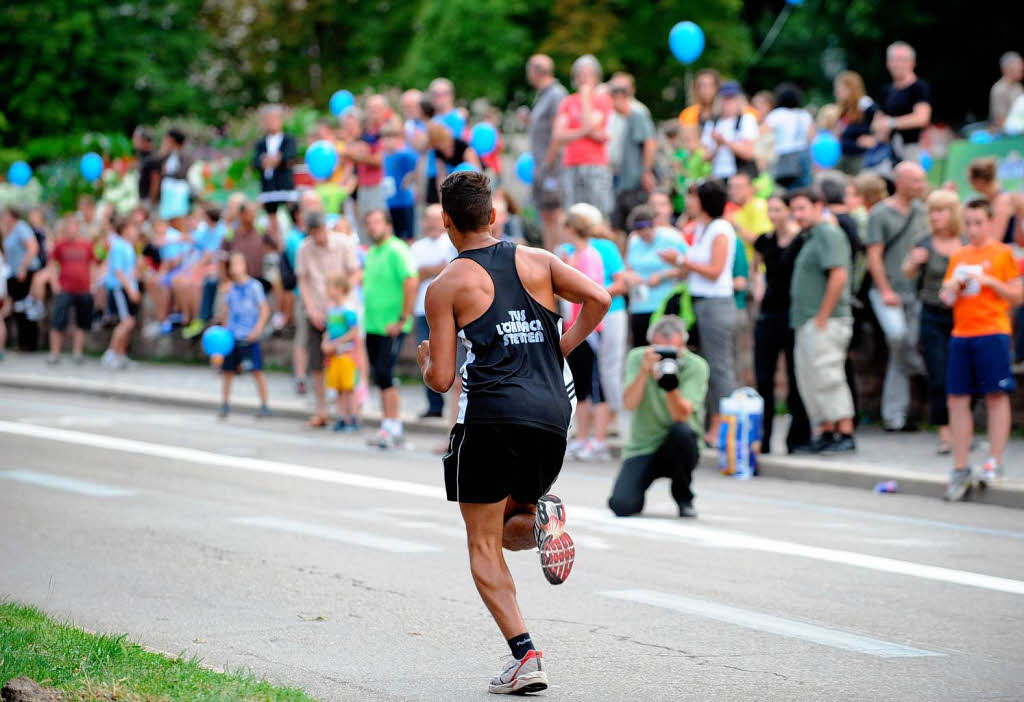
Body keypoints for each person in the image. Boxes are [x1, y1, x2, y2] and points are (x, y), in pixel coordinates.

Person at [417, 171, 609, 694]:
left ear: (449, 223)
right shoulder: (539, 261)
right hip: (552, 416)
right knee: (511, 523)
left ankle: (525, 657)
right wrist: (557, 352)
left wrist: (424, 363)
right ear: (494, 216)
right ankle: (540, 515)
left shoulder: (446, 286)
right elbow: (600, 298)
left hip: (492, 417)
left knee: (482, 542)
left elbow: (441, 380)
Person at [940, 198, 1022, 500]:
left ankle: (995, 461)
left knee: (996, 396)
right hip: (962, 333)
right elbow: (946, 297)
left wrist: (989, 281)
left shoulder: (1002, 253)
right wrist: (951, 289)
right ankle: (960, 465)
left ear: (989, 222)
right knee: (957, 398)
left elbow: (1017, 295)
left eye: (978, 222)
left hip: (992, 331)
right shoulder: (959, 255)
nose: (973, 229)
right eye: (969, 223)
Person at [608, 314, 709, 518]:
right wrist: (644, 372)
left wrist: (669, 384)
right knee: (621, 505)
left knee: (683, 433)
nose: (665, 357)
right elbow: (629, 404)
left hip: (678, 446)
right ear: (650, 345)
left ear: (683, 344)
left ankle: (684, 497)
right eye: (660, 351)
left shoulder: (695, 366)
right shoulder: (638, 358)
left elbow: (681, 415)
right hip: (643, 447)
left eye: (672, 351)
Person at [788, 187, 856, 453]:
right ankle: (827, 430)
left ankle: (845, 431)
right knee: (811, 377)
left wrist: (823, 315)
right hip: (807, 318)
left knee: (828, 375)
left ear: (819, 206)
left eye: (802, 208)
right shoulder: (810, 236)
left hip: (826, 319)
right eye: (795, 209)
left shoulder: (829, 233)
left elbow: (838, 275)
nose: (798, 214)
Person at [672, 181, 737, 446]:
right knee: (705, 366)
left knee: (720, 368)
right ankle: (710, 423)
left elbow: (715, 269)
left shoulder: (720, 228)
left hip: (716, 303)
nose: (688, 202)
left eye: (693, 198)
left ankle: (724, 428)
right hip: (699, 302)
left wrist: (681, 261)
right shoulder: (701, 228)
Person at [864, 161, 928, 431]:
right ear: (899, 182)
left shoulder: (922, 211)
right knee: (898, 337)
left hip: (915, 291)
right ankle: (924, 372)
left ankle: (894, 416)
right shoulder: (880, 214)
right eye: (915, 180)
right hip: (887, 289)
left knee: (900, 351)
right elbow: (874, 255)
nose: (920, 185)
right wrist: (885, 289)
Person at [902, 190, 964, 455]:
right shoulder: (924, 242)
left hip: (962, 314)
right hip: (932, 313)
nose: (936, 216)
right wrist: (913, 262)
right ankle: (945, 433)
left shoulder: (964, 243)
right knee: (938, 375)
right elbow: (906, 273)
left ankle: (963, 429)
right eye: (933, 211)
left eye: (942, 211)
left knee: (963, 374)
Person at [750, 194, 811, 453]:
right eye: (770, 210)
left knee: (796, 376)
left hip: (793, 312)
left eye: (778, 210)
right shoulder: (764, 240)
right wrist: (757, 287)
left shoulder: (801, 240)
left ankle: (798, 437)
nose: (773, 215)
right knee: (764, 376)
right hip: (768, 312)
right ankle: (763, 438)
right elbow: (755, 268)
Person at [297, 211, 361, 428]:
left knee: (348, 363)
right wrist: (312, 309)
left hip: (342, 312)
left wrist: (341, 300)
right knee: (317, 363)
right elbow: (303, 281)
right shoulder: (304, 249)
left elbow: (355, 272)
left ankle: (351, 412)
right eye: (314, 234)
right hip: (317, 310)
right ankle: (321, 410)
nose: (320, 238)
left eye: (322, 232)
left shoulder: (343, 244)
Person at [363, 209, 418, 448]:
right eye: (369, 224)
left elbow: (411, 280)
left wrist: (402, 318)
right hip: (372, 325)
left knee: (386, 373)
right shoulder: (372, 252)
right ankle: (387, 424)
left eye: (376, 222)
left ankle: (394, 426)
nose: (372, 228)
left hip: (392, 326)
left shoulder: (397, 249)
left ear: (387, 225)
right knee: (380, 376)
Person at [558, 208, 607, 461]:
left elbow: (589, 292)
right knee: (579, 386)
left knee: (593, 385)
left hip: (589, 329)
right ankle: (583, 436)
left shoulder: (588, 256)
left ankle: (597, 440)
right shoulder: (574, 255)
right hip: (573, 326)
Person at [553, 54, 614, 217]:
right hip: (571, 164)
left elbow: (589, 123)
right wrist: (588, 132)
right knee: (573, 214)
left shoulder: (603, 100)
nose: (584, 78)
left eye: (588, 74)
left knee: (598, 213)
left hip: (595, 165)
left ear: (596, 77)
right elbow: (558, 135)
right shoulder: (568, 101)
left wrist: (586, 97)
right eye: (580, 74)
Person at [411, 204, 457, 418]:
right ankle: (434, 404)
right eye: (427, 219)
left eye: (434, 218)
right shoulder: (417, 247)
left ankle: (451, 405)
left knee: (446, 355)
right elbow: (414, 275)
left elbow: (450, 269)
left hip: (443, 310)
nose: (431, 223)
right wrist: (435, 269)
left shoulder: (450, 244)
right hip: (421, 308)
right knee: (426, 354)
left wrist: (428, 270)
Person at [624, 203, 687, 346]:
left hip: (664, 303)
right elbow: (627, 268)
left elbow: (687, 267)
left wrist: (662, 275)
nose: (645, 233)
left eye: (649, 228)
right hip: (639, 304)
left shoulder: (672, 238)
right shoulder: (634, 240)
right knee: (640, 347)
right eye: (640, 230)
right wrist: (630, 276)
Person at [219, 252, 271, 419]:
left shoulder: (254, 286)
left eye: (238, 264)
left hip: (248, 335)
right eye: (232, 265)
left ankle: (265, 404)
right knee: (227, 371)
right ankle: (225, 403)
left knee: (256, 370)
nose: (235, 268)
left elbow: (264, 309)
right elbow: (225, 312)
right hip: (233, 335)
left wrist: (257, 329)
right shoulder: (230, 288)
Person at [526, 54, 568, 250]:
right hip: (543, 165)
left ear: (535, 71)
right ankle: (550, 256)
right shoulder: (542, 95)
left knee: (556, 213)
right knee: (546, 213)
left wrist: (547, 163)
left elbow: (558, 133)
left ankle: (560, 260)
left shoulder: (555, 94)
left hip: (552, 166)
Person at [609, 73, 657, 233]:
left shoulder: (637, 115)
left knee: (636, 223)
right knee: (619, 226)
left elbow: (650, 142)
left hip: (636, 183)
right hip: (623, 182)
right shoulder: (623, 119)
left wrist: (646, 171)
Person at [873, 42, 932, 163]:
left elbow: (922, 118)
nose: (897, 64)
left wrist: (891, 123)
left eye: (901, 60)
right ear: (888, 64)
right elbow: (877, 120)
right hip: (888, 150)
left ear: (912, 63)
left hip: (912, 148)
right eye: (893, 60)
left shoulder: (919, 87)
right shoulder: (886, 90)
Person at [47, 217, 95, 365]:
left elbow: (92, 265)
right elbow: (53, 265)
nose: (71, 229)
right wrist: (55, 283)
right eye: (69, 227)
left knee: (82, 322)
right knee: (58, 321)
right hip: (65, 288)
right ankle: (54, 353)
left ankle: (77, 353)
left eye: (74, 226)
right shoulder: (60, 245)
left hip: (83, 289)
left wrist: (93, 284)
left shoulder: (86, 245)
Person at [322, 273, 361, 432]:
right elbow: (328, 331)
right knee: (338, 388)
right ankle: (341, 417)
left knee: (348, 388)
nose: (328, 291)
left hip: (346, 355)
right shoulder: (331, 311)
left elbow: (354, 332)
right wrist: (325, 343)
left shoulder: (348, 310)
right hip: (334, 356)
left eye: (330, 288)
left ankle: (352, 417)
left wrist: (335, 343)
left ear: (339, 289)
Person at [253, 105, 297, 241]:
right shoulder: (260, 143)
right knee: (271, 220)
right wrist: (270, 161)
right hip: (268, 187)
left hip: (284, 185)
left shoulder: (289, 139)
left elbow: (289, 157)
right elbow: (256, 162)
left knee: (291, 216)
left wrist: (273, 160)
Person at [102, 219, 141, 369]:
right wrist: (130, 289)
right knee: (126, 322)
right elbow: (118, 272)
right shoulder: (118, 246)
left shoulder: (128, 246)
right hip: (120, 288)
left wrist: (134, 287)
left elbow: (130, 271)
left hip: (127, 288)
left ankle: (121, 354)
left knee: (128, 322)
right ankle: (112, 353)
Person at [1, 207, 42, 350]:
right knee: (17, 308)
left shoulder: (21, 228)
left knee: (26, 308)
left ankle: (29, 344)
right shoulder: (9, 231)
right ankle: (21, 343)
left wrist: (23, 268)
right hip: (13, 274)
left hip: (24, 273)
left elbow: (33, 247)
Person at [701, 81, 759, 181]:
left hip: (740, 176)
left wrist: (724, 141)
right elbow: (705, 157)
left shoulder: (746, 119)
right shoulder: (712, 123)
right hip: (718, 176)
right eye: (725, 99)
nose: (728, 103)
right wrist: (717, 146)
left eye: (732, 98)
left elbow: (748, 153)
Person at [763, 84, 814, 188]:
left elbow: (763, 134)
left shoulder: (776, 114)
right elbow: (812, 137)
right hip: (802, 155)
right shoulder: (804, 115)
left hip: (784, 155)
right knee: (803, 188)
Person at [381, 121, 419, 240]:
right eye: (384, 138)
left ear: (398, 138)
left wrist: (410, 177)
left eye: (390, 138)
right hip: (391, 200)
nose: (386, 142)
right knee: (396, 234)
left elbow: (419, 165)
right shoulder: (386, 156)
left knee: (408, 234)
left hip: (405, 200)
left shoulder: (405, 154)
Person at [834, 71, 878, 175]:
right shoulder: (845, 109)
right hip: (845, 154)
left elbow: (878, 124)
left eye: (840, 88)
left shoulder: (865, 105)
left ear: (851, 89)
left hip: (860, 157)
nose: (837, 92)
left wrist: (874, 138)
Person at [967, 157, 1016, 246]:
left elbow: (996, 238)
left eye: (971, 180)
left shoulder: (1003, 200)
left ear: (980, 181)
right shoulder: (988, 200)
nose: (969, 184)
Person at [678, 68, 721, 152]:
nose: (705, 90)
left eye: (709, 85)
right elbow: (686, 143)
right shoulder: (689, 113)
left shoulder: (726, 112)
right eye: (701, 86)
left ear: (717, 88)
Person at [990, 52, 1023, 131]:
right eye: (1018, 65)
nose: (1021, 68)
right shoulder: (999, 89)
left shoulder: (1019, 87)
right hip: (1006, 135)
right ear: (1006, 69)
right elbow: (1000, 120)